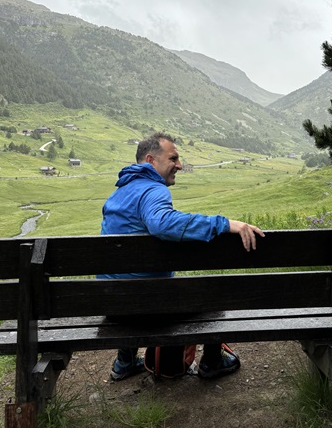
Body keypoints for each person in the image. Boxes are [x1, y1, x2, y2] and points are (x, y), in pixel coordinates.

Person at [99, 132, 264, 381]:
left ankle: (125, 361)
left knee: (132, 281)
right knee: (213, 295)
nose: (179, 165)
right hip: (147, 307)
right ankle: (213, 361)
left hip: (111, 304)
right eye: (173, 158)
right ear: (150, 160)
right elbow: (162, 223)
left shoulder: (118, 194)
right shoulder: (153, 190)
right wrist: (226, 224)